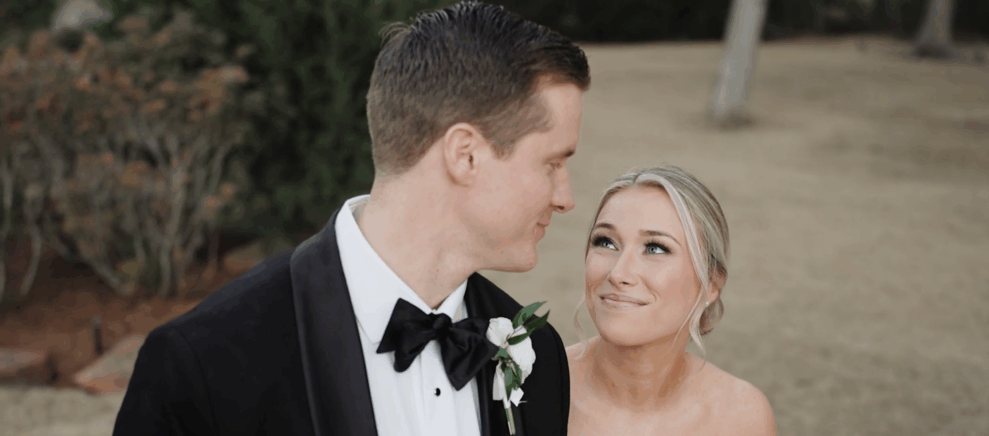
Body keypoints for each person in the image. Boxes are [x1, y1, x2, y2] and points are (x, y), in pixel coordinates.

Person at [112, 1, 590, 435]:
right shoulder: (203, 365)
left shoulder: (535, 354)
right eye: (552, 163)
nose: (566, 197)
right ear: (464, 155)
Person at [566, 165, 776, 436]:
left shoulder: (742, 416)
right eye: (606, 242)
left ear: (711, 284)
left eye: (655, 248)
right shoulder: (525, 384)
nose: (618, 273)